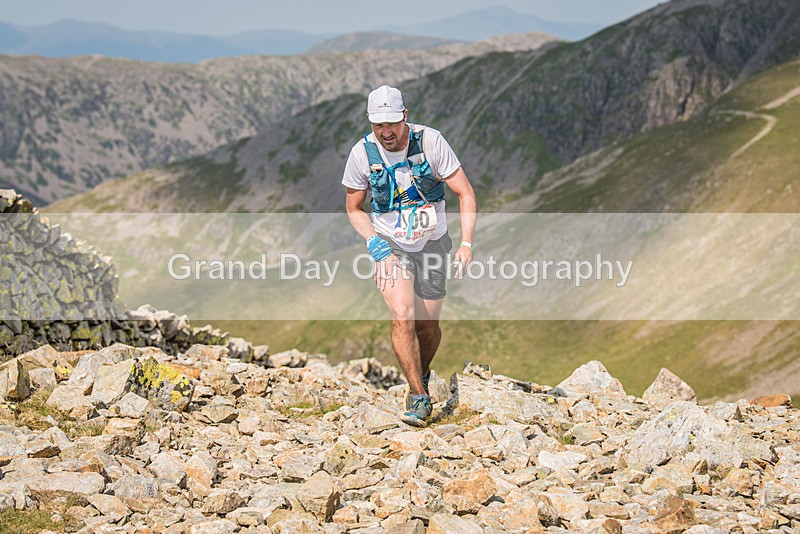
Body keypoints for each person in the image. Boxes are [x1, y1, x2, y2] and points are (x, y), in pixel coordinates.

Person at [342, 84, 477, 427]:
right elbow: (354, 207)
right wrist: (375, 243)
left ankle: (423, 371)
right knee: (403, 317)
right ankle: (419, 397)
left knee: (428, 327)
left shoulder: (431, 142)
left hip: (433, 244)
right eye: (378, 125)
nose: (385, 132)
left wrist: (466, 244)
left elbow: (465, 193)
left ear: (405, 116)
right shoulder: (362, 153)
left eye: (391, 123)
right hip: (391, 246)